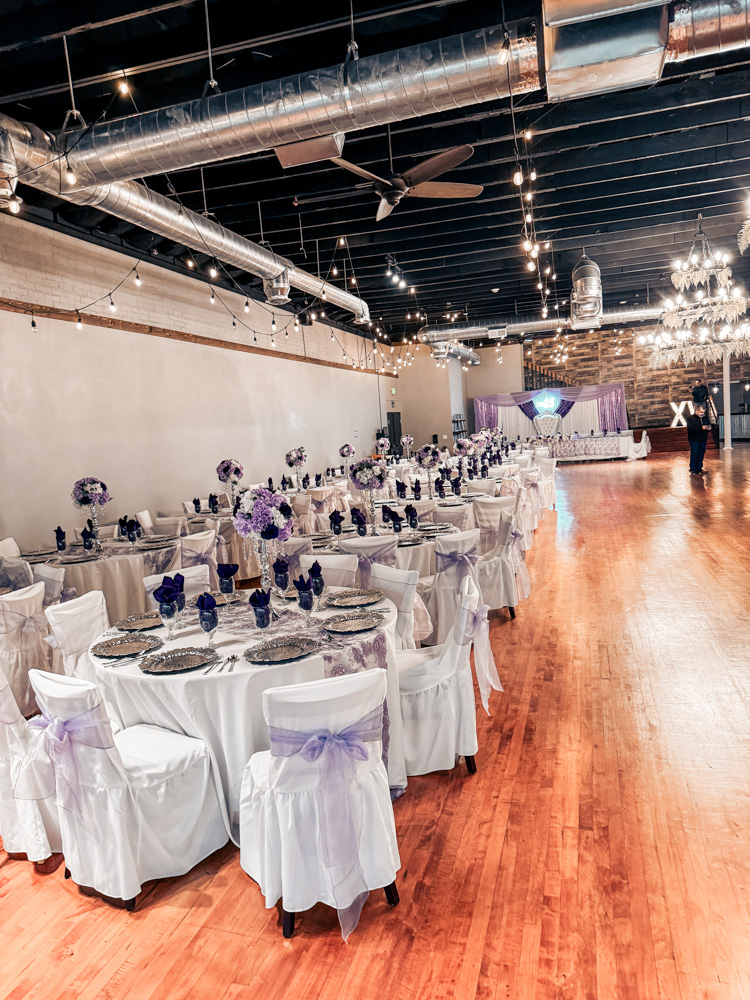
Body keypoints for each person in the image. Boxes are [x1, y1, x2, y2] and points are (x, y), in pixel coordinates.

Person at [686, 403, 710, 475]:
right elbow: (690, 429)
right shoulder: (690, 419)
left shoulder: (705, 418)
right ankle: (693, 469)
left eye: (703, 412)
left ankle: (699, 468)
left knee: (701, 454)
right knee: (695, 453)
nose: (702, 414)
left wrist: (709, 427)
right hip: (694, 439)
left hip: (703, 438)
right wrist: (701, 428)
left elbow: (708, 424)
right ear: (696, 411)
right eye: (701, 412)